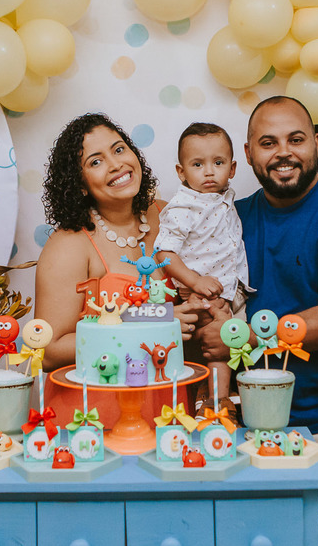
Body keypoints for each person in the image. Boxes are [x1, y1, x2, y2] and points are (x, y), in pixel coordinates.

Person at [195, 96, 318, 478]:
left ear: (316, 142)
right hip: (234, 425)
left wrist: (243, 337)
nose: (283, 153)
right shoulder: (229, 219)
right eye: (268, 143)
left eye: (295, 140)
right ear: (248, 154)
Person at [36, 112, 206, 377]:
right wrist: (154, 328)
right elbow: (48, 351)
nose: (116, 164)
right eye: (96, 162)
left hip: (173, 391)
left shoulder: (171, 215)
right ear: (80, 184)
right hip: (100, 401)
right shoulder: (68, 245)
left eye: (119, 149)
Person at [155, 122, 251, 403]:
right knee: (219, 335)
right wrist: (195, 281)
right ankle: (217, 401)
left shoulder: (224, 198)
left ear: (232, 169)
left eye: (218, 162)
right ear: (181, 172)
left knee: (234, 341)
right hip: (201, 290)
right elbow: (164, 253)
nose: (209, 171)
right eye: (197, 164)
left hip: (231, 289)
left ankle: (218, 393)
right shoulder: (184, 207)